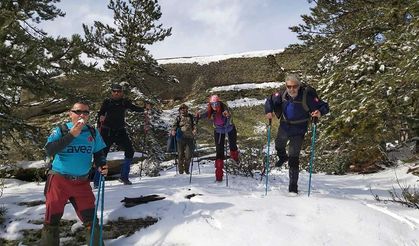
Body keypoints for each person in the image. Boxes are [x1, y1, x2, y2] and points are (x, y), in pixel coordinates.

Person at [41, 101, 108, 245]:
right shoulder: (62, 129)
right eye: (78, 111)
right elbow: (49, 150)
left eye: (85, 112)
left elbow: (98, 152)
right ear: (70, 114)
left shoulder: (92, 131)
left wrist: (102, 164)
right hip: (59, 180)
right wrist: (72, 135)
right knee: (52, 218)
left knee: (90, 217)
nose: (82, 115)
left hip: (82, 182)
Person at [265, 74, 329, 194]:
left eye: (294, 86)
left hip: (299, 129)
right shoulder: (282, 94)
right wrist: (268, 111)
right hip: (285, 125)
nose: (292, 89)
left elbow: (324, 106)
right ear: (286, 86)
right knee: (279, 143)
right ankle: (283, 156)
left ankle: (293, 186)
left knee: (294, 156)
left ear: (299, 86)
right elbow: (270, 100)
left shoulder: (307, 96)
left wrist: (319, 112)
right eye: (289, 86)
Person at [96, 83, 147, 185]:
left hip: (120, 130)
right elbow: (101, 112)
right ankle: (98, 180)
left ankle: (124, 177)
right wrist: (100, 117)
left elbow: (134, 108)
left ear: (122, 92)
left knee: (129, 151)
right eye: (114, 91)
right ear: (111, 92)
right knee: (102, 155)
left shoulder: (124, 102)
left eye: (118, 91)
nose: (116, 93)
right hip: (107, 131)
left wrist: (144, 109)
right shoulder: (107, 102)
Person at [196, 95, 239, 182]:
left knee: (233, 146)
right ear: (210, 104)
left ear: (219, 103)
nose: (214, 106)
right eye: (212, 104)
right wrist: (198, 117)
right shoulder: (211, 110)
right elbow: (204, 114)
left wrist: (227, 115)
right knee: (219, 152)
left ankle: (236, 160)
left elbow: (229, 113)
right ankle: (219, 175)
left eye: (216, 103)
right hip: (219, 131)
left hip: (229, 129)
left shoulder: (224, 108)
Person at [170, 104, 196, 174]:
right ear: (179, 110)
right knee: (180, 155)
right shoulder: (178, 117)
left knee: (188, 155)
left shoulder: (191, 116)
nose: (183, 110)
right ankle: (181, 171)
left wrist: (194, 130)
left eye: (184, 108)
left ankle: (186, 170)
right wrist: (173, 130)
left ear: (187, 109)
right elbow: (174, 125)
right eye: (181, 109)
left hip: (189, 138)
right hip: (180, 138)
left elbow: (194, 124)